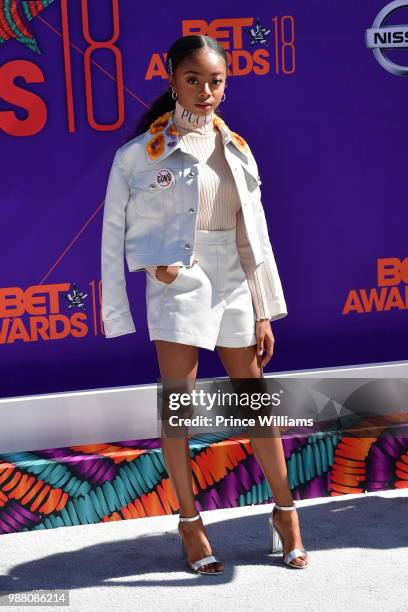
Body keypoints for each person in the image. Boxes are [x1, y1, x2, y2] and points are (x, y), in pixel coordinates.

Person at [101, 34, 309, 573]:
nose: (205, 91)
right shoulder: (138, 155)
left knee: (256, 401)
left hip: (235, 278)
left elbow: (253, 237)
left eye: (215, 81)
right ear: (171, 78)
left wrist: (264, 308)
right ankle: (191, 526)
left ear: (226, 83)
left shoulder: (236, 148)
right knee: (179, 408)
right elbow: (118, 233)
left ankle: (285, 513)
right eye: (193, 79)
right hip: (179, 281)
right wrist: (155, 265)